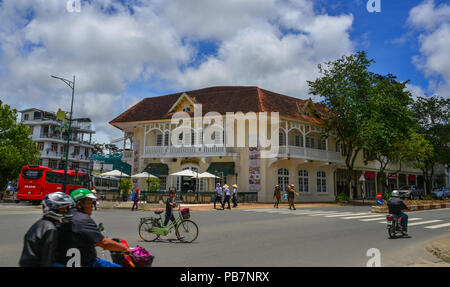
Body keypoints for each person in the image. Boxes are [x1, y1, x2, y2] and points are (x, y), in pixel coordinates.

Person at [54, 188, 131, 267]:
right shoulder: (83, 219)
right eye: (89, 203)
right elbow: (104, 243)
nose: (92, 206)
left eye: (92, 203)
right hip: (86, 263)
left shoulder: (62, 216)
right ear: (79, 204)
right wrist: (125, 248)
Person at [19, 192, 75, 267]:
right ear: (52, 208)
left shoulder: (41, 223)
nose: (65, 211)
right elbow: (47, 258)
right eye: (62, 209)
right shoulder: (50, 229)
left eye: (66, 208)